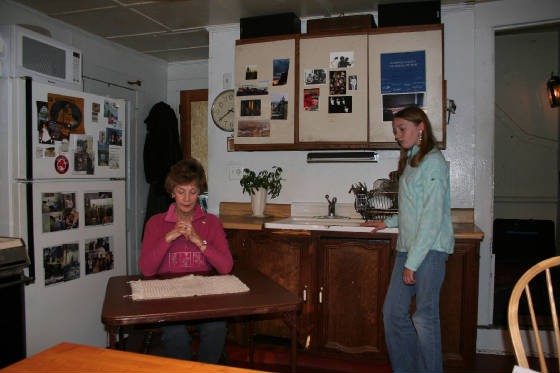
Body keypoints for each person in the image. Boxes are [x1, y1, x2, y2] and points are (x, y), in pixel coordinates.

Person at [362, 106, 454, 373]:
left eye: (402, 129)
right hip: (409, 250)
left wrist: (412, 262)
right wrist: (388, 222)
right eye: (395, 131)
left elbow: (432, 216)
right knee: (393, 314)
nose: (398, 135)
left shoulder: (433, 162)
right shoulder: (412, 160)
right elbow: (412, 208)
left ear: (420, 127)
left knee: (425, 318)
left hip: (429, 252)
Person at [139, 158, 233, 364]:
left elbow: (226, 267)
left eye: (193, 191)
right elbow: (146, 270)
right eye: (181, 191)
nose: (187, 198)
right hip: (168, 300)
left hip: (204, 298)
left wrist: (200, 241)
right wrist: (168, 238)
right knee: (175, 334)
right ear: (172, 192)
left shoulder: (212, 223)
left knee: (217, 328)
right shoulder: (155, 223)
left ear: (200, 192)